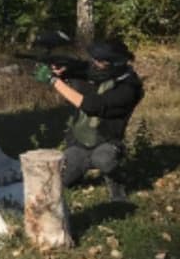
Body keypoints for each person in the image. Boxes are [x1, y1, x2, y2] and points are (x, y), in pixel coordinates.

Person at [37, 39, 144, 202]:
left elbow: (91, 106)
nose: (95, 63)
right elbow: (83, 70)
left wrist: (53, 81)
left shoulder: (128, 88)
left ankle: (117, 180)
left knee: (103, 160)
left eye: (100, 61)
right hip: (80, 140)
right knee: (64, 181)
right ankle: (80, 170)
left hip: (107, 140)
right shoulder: (103, 72)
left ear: (113, 63)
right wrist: (63, 70)